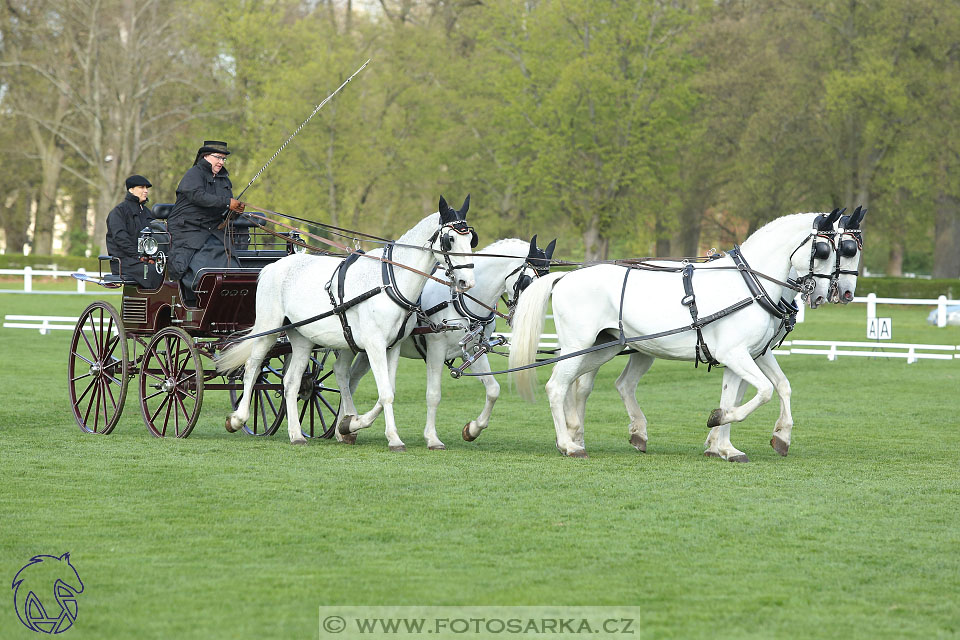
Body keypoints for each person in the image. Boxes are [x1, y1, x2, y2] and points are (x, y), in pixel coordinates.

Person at [167, 140, 246, 304]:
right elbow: (197, 196)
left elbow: (224, 205)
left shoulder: (224, 179)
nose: (221, 162)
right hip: (188, 231)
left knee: (233, 270)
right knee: (205, 272)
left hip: (214, 232)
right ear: (205, 156)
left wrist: (234, 210)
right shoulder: (194, 174)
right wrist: (226, 203)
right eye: (218, 157)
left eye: (224, 159)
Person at [105, 174, 163, 289]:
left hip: (145, 260)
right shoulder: (118, 212)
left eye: (146, 188)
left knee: (171, 269)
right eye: (141, 187)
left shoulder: (147, 213)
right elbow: (121, 238)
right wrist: (139, 256)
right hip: (124, 262)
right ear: (131, 190)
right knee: (154, 272)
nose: (145, 191)